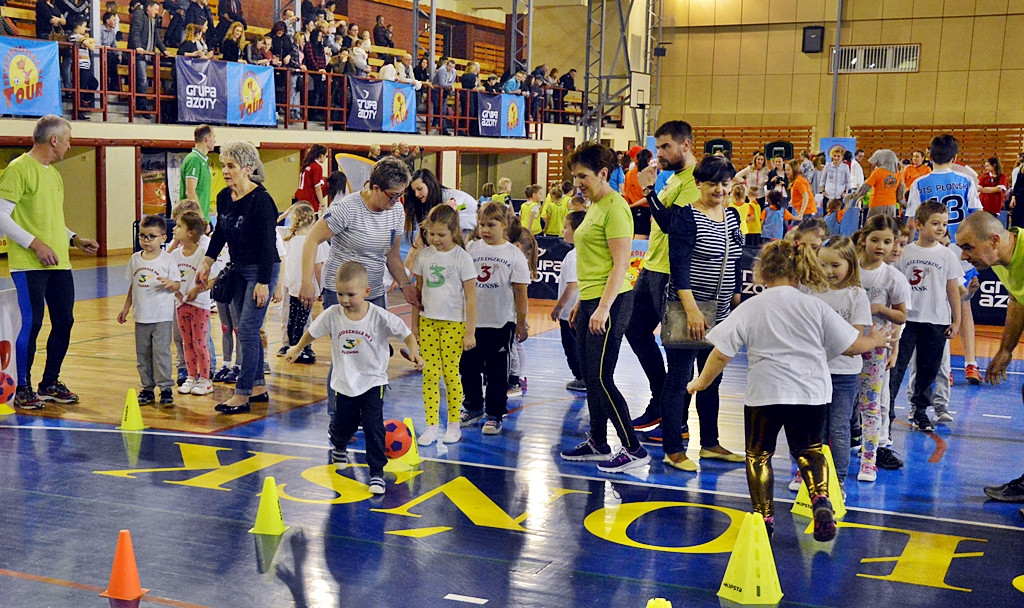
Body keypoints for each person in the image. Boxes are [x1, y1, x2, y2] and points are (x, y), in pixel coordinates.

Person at [688, 239, 890, 540]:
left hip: (766, 394)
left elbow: (721, 352)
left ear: (762, 273)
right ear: (800, 271)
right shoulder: (814, 306)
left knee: (759, 455)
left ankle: (764, 516)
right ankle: (821, 498)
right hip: (811, 393)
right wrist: (874, 341)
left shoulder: (752, 307)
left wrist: (701, 382)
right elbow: (850, 347)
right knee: (810, 450)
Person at [286, 262, 424, 496]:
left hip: (373, 381)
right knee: (343, 425)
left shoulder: (379, 316)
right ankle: (339, 445)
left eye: (351, 294)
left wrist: (414, 351)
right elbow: (312, 332)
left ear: (366, 292)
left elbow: (406, 333)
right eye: (340, 294)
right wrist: (297, 347)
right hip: (344, 383)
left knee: (373, 426)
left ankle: (377, 473)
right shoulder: (332, 315)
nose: (345, 300)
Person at [648, 154, 745, 472]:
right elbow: (678, 267)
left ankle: (711, 444)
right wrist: (690, 310)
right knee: (679, 378)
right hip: (686, 308)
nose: (719, 188)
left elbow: (736, 260)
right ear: (698, 184)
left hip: (719, 311)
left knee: (711, 378)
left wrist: (735, 297)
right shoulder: (687, 216)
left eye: (724, 182)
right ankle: (673, 449)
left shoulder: (732, 217)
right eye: (712, 182)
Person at [298, 157, 418, 413]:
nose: (397, 201)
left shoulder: (396, 211)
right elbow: (312, 241)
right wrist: (307, 282)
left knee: (375, 354)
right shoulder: (347, 208)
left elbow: (392, 256)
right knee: (348, 354)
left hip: (373, 290)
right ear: (375, 188)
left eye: (401, 195)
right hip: (341, 291)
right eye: (392, 195)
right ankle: (338, 415)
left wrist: (406, 284)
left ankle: (369, 411)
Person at [557, 142, 649, 473]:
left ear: (603, 173)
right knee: (591, 376)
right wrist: (583, 300)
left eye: (583, 175)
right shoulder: (594, 206)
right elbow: (596, 261)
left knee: (600, 377)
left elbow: (621, 263)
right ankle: (598, 441)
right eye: (574, 175)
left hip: (612, 302)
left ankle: (633, 448)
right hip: (594, 299)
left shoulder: (616, 208)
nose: (577, 181)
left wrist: (602, 308)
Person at [0, 115, 98, 410]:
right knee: (32, 324)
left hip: (59, 262)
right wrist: (35, 244)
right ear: (54, 139)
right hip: (29, 263)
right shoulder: (19, 169)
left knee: (64, 321)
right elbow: (2, 216)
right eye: (68, 139)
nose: (70, 145)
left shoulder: (53, 173)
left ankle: (49, 382)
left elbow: (50, 220)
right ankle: (23, 387)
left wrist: (74, 238)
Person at [626, 121, 699, 438]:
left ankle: (677, 421)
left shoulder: (694, 182)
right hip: (651, 268)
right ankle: (660, 399)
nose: (660, 153)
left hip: (673, 273)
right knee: (634, 329)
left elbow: (672, 225)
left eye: (666, 146)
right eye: (657, 147)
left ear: (686, 145)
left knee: (677, 350)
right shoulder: (672, 180)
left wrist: (648, 191)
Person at [195, 141, 280, 415]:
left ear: (248, 168)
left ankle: (241, 394)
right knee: (247, 330)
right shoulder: (223, 197)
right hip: (238, 267)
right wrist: (207, 261)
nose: (225, 171)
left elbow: (269, 245)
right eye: (224, 165)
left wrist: (264, 282)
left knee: (246, 329)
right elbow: (221, 232)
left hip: (261, 270)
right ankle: (257, 387)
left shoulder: (262, 200)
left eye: (231, 166)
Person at [955, 210, 1024, 502]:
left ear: (994, 239)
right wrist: (1006, 349)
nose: (963, 256)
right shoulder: (1001, 258)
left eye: (968, 247)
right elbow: (1018, 299)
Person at [905, 135, 982, 384]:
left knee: (938, 307)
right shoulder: (965, 180)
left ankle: (944, 369)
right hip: (961, 250)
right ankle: (971, 364)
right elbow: (977, 218)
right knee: (964, 306)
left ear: (929, 156)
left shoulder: (919, 183)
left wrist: (905, 250)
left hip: (930, 250)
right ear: (955, 158)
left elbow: (910, 223)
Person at [888, 201, 964, 432]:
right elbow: (894, 284)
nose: (941, 228)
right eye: (935, 223)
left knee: (928, 369)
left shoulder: (947, 255)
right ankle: (886, 410)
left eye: (944, 223)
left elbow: (953, 289)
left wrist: (956, 319)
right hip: (906, 321)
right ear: (919, 224)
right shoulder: (905, 251)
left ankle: (919, 409)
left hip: (936, 320)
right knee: (896, 367)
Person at [457, 202, 529, 435]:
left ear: (505, 225)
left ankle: (495, 413)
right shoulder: (470, 248)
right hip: (471, 322)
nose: (485, 229)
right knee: (468, 367)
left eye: (491, 225)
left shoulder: (513, 255)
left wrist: (521, 321)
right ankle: (473, 405)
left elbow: (520, 291)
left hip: (500, 322)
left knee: (497, 372)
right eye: (481, 224)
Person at [808, 237, 872, 490]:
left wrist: (830, 345)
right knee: (816, 428)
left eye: (835, 265)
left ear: (850, 264)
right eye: (822, 265)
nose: (828, 272)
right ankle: (813, 477)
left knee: (838, 429)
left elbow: (854, 338)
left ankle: (838, 481)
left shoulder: (857, 296)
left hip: (844, 374)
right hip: (814, 372)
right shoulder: (812, 293)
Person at [410, 205, 477, 446]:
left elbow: (471, 297)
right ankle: (430, 425)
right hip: (429, 322)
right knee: (429, 373)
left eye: (441, 235)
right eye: (432, 234)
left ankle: (453, 424)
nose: (436, 239)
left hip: (454, 324)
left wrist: (470, 332)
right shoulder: (425, 255)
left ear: (453, 231)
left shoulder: (462, 258)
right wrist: (414, 327)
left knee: (450, 374)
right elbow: (418, 294)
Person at [117, 214, 179, 406]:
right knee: (143, 354)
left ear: (163, 237)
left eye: (151, 236)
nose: (146, 240)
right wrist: (126, 308)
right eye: (142, 236)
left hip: (161, 316)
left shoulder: (167, 259)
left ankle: (166, 388)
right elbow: (133, 285)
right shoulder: (136, 259)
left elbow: (177, 285)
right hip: (141, 316)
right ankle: (147, 387)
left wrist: (170, 284)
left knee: (161, 353)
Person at [172, 211, 214, 396]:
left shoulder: (203, 255)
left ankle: (205, 379)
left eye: (179, 226)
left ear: (190, 232)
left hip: (199, 306)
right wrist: (177, 293)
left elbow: (213, 278)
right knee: (186, 343)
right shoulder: (174, 255)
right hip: (180, 305)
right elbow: (170, 278)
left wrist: (196, 291)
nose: (174, 228)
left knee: (199, 343)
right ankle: (191, 376)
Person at [552, 211, 586, 392]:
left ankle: (581, 377)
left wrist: (559, 307)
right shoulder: (581, 252)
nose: (562, 231)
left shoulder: (574, 256)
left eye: (566, 227)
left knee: (572, 346)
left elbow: (572, 284)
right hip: (578, 309)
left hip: (571, 311)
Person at [403, 168, 478, 248]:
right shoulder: (429, 204)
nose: (417, 194)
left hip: (471, 235)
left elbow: (454, 210)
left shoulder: (452, 197)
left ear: (430, 184)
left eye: (420, 189)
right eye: (414, 191)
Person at [128, 0, 167, 112]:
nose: (157, 12)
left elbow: (156, 37)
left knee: (143, 79)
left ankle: (141, 103)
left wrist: (164, 49)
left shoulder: (153, 19)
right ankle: (141, 105)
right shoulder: (139, 14)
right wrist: (137, 46)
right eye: (155, 9)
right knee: (142, 79)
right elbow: (135, 32)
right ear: (148, 8)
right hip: (139, 54)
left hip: (147, 55)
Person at [846, 149, 904, 219]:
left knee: (872, 227)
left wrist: (851, 196)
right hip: (892, 205)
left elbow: (864, 189)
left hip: (877, 204)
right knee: (888, 227)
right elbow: (900, 192)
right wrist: (903, 203)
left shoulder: (878, 172)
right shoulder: (898, 174)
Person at [179, 125, 215, 222]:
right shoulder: (194, 159)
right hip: (194, 220)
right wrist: (201, 218)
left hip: (202, 218)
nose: (215, 141)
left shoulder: (202, 161)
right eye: (214, 137)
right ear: (207, 139)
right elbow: (190, 191)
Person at [295, 145, 328, 212]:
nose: (325, 158)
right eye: (326, 156)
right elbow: (317, 188)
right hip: (310, 202)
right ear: (321, 155)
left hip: (300, 200)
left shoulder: (306, 165)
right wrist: (323, 205)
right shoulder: (317, 167)